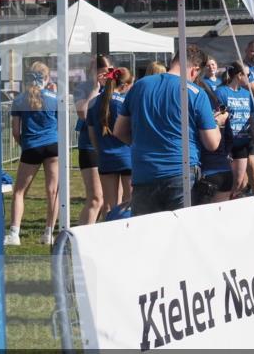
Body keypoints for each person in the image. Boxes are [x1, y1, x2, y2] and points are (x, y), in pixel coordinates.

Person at [112, 46, 223, 216]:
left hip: (144, 172)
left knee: (147, 234)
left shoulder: (140, 85)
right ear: (194, 70)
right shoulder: (195, 93)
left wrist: (144, 142)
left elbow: (119, 131)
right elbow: (212, 143)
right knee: (181, 234)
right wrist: (217, 122)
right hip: (181, 173)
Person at [4, 62, 61, 246]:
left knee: (19, 192)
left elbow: (15, 130)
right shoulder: (55, 98)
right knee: (53, 191)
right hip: (53, 146)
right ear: (46, 77)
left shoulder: (19, 99)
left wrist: (25, 145)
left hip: (31, 147)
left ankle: (14, 233)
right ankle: (48, 233)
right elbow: (61, 125)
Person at [87, 67, 134, 218]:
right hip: (126, 156)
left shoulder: (93, 102)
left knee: (108, 204)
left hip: (105, 156)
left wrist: (100, 150)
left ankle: (108, 235)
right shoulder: (126, 101)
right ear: (125, 85)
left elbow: (92, 134)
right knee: (129, 202)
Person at [74, 56, 111, 226]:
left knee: (109, 200)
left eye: (108, 72)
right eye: (102, 73)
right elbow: (82, 112)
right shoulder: (83, 87)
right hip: (89, 146)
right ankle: (80, 239)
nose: (105, 76)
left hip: (109, 146)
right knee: (96, 198)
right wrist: (95, 90)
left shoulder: (113, 87)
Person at [216, 62, 254, 196]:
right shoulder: (221, 92)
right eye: (248, 75)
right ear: (239, 75)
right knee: (229, 183)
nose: (250, 78)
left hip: (243, 142)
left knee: (239, 183)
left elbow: (252, 119)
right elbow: (217, 118)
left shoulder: (247, 94)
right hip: (226, 144)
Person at [194, 74, 233, 204]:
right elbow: (229, 138)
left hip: (207, 172)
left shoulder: (197, 116)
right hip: (225, 170)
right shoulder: (220, 113)